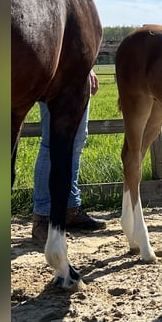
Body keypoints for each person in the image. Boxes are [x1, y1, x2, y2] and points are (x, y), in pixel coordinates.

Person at [32, 69, 106, 244]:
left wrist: (87, 68)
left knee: (78, 140)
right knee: (52, 142)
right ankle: (42, 216)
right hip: (55, 71)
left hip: (77, 72)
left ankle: (70, 207)